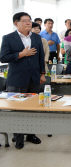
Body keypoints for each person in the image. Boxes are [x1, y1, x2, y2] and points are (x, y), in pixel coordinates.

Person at [0, 12, 46, 149]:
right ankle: (18, 138)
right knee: (18, 109)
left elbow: (40, 57)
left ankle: (31, 135)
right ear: (16, 23)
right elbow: (3, 57)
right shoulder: (8, 38)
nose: (28, 23)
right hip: (17, 79)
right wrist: (21, 54)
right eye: (25, 21)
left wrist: (42, 73)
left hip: (34, 78)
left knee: (33, 109)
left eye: (29, 21)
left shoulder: (37, 38)